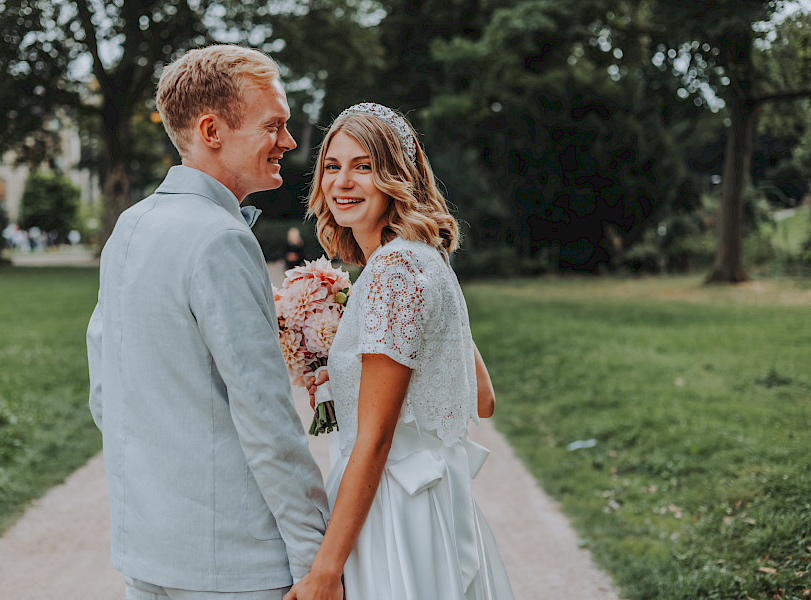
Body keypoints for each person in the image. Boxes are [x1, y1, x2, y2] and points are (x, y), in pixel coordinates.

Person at [86, 45, 335, 600]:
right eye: (275, 125)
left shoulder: (130, 226)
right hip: (234, 561)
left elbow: (106, 393)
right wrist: (315, 559)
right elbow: (266, 416)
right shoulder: (220, 238)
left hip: (147, 551)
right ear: (212, 129)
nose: (290, 143)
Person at [285, 103, 514, 600]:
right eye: (332, 166)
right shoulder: (425, 261)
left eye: (363, 166)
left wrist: (326, 571)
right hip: (432, 504)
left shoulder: (393, 273)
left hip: (390, 512)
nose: (342, 182)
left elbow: (376, 438)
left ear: (395, 176)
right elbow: (482, 396)